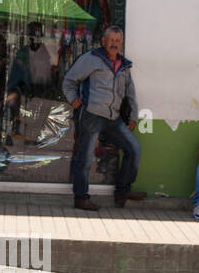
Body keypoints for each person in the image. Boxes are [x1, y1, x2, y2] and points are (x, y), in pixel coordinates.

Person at [61, 24, 144, 210]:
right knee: (86, 157)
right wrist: (73, 99)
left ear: (121, 43)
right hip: (91, 115)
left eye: (117, 40)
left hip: (113, 118)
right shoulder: (91, 59)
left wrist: (133, 116)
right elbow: (69, 80)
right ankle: (81, 198)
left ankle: (122, 191)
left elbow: (130, 93)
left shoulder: (124, 66)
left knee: (134, 148)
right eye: (111, 40)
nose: (114, 43)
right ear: (103, 41)